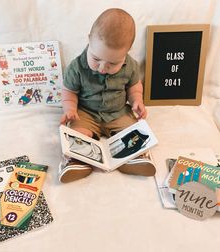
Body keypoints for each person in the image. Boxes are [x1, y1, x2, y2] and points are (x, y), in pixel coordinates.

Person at [59, 8, 155, 183]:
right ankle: (76, 161)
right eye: (96, 59)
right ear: (89, 39)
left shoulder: (131, 65)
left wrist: (137, 101)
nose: (103, 68)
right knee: (77, 134)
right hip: (86, 113)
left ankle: (133, 159)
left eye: (113, 63)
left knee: (134, 132)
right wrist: (70, 108)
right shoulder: (77, 67)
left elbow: (134, 87)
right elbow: (69, 91)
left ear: (127, 51)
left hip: (118, 112)